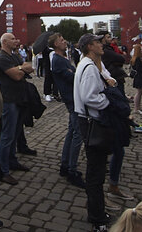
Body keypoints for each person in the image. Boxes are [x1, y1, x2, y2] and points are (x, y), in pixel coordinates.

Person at [74, 33, 118, 232]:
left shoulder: (90, 63)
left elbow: (107, 79)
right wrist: (110, 102)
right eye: (98, 42)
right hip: (92, 121)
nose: (102, 45)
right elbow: (89, 97)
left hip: (89, 120)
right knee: (95, 173)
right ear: (90, 46)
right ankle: (97, 218)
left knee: (97, 169)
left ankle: (97, 211)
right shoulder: (90, 67)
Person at [0, 32, 35, 183]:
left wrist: (20, 68)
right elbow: (17, 75)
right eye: (12, 38)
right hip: (8, 100)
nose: (16, 40)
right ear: (4, 42)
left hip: (18, 99)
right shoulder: (2, 58)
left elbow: (29, 68)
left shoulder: (15, 55)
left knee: (15, 134)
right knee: (7, 135)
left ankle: (12, 161)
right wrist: (20, 69)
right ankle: (3, 170)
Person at [49, 33, 85, 188]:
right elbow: (73, 77)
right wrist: (74, 74)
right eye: (62, 40)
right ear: (56, 44)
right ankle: (71, 169)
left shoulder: (62, 59)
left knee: (72, 132)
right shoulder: (58, 60)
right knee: (78, 134)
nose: (65, 42)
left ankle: (65, 165)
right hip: (72, 99)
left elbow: (74, 74)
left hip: (73, 98)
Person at [129, 41, 142, 115]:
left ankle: (138, 107)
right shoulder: (137, 59)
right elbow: (139, 68)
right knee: (139, 93)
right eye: (140, 49)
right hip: (139, 77)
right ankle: (136, 108)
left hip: (138, 77)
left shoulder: (134, 58)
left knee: (140, 92)